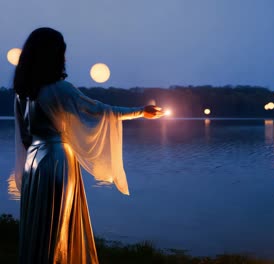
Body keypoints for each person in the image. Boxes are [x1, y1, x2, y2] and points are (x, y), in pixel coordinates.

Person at [13, 27, 163, 263]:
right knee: (58, 222)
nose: (65, 58)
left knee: (38, 222)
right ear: (54, 55)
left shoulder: (23, 93)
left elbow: (25, 136)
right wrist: (141, 112)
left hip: (33, 162)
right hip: (56, 160)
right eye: (62, 52)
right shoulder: (60, 89)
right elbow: (100, 111)